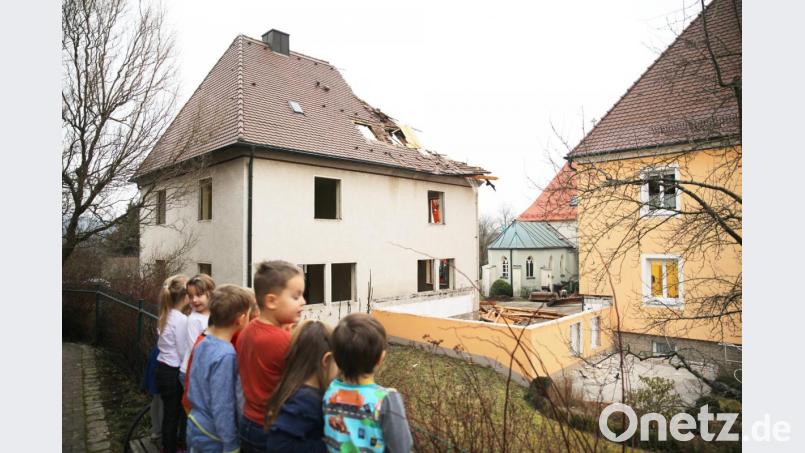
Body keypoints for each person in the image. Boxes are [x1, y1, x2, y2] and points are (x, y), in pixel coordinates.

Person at [236, 261, 306, 453]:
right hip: (272, 428)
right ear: (272, 301)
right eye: (296, 296)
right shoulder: (282, 341)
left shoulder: (248, 331)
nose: (303, 302)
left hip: (249, 421)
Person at [323, 314, 413, 453]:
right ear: (380, 358)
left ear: (336, 358)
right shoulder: (387, 400)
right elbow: (402, 447)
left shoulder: (329, 392)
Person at [186, 285, 254, 453]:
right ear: (241, 318)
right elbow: (222, 405)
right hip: (213, 435)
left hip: (195, 422)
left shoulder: (202, 342)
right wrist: (231, 445)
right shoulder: (226, 355)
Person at [264, 321, 337, 453]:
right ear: (326, 360)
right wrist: (330, 446)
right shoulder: (306, 400)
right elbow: (279, 445)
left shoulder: (293, 386)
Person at [156, 274, 191, 453]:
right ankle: (170, 448)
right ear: (185, 297)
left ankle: (168, 445)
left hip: (162, 367)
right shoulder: (181, 320)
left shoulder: (165, 314)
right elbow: (182, 350)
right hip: (172, 371)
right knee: (173, 414)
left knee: (170, 412)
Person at [180, 274, 215, 383]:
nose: (194, 300)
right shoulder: (194, 320)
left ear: (211, 293)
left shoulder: (214, 314)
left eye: (199, 295)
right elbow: (195, 349)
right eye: (190, 296)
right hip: (192, 372)